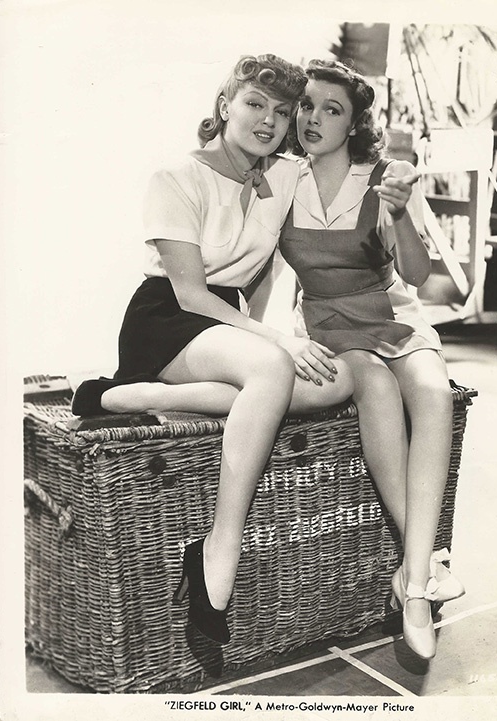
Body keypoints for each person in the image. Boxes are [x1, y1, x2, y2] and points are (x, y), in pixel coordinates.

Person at [71, 55, 354, 645]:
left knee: (338, 379)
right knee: (276, 365)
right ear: (225, 104)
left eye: (282, 112)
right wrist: (276, 339)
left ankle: (128, 396)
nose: (269, 121)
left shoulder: (286, 177)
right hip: (167, 319)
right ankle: (220, 551)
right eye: (255, 104)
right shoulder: (175, 178)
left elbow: (274, 267)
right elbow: (193, 295)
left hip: (228, 328)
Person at [279, 59, 464, 659]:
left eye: (332, 110)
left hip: (390, 311)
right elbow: (256, 276)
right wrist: (278, 340)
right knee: (377, 388)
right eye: (306, 105)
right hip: (326, 324)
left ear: (354, 123)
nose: (313, 119)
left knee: (434, 394)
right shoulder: (278, 179)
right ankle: (423, 571)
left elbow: (416, 274)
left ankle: (411, 585)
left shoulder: (384, 177)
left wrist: (402, 212)